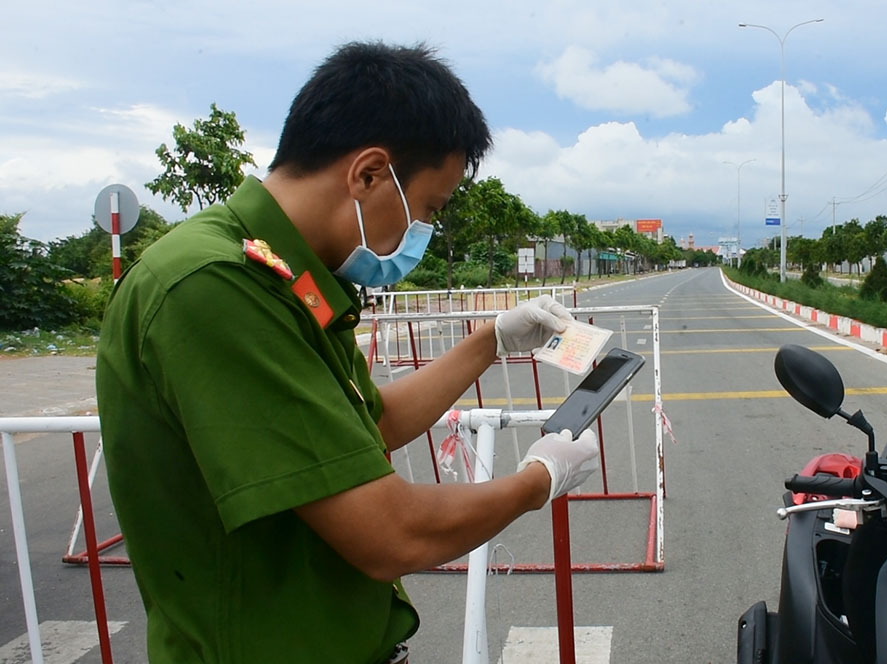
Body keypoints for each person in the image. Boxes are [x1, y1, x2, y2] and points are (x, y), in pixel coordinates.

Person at [95, 42, 599, 663]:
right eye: (427, 209)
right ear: (367, 174)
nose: (421, 233)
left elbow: (369, 426)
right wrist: (537, 481)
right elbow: (390, 532)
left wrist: (488, 341)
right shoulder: (212, 288)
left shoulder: (288, 276)